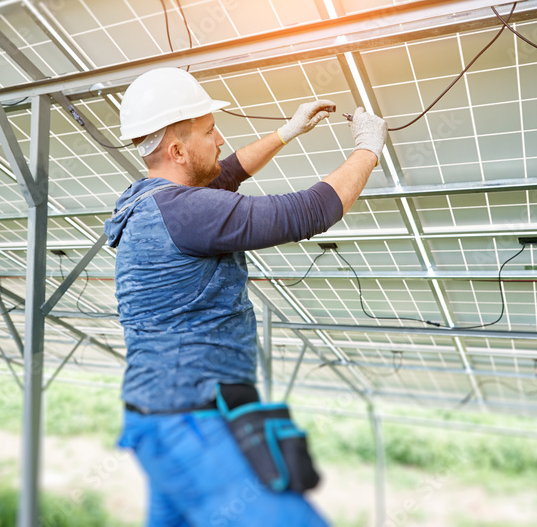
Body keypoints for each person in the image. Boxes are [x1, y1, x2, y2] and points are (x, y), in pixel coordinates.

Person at [105, 67, 386, 526]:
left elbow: (225, 174)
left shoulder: (147, 203)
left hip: (158, 417)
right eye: (210, 131)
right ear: (177, 149)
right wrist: (368, 148)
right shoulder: (185, 211)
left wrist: (286, 132)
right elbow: (307, 212)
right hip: (190, 422)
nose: (220, 140)